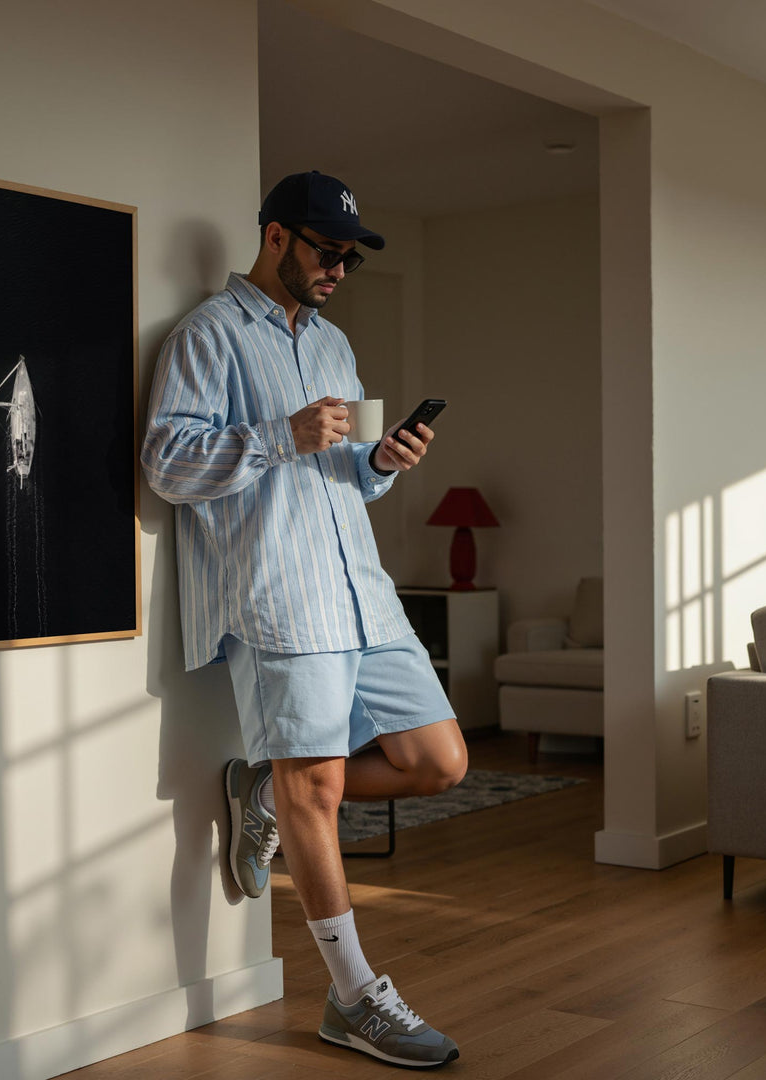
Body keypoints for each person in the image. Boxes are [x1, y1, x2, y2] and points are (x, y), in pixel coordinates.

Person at [142, 170, 466, 1069]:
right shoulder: (207, 335)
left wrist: (386, 461)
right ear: (277, 236)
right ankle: (354, 996)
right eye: (327, 251)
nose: (339, 269)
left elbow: (347, 471)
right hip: (279, 595)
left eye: (350, 258)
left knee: (440, 762)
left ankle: (263, 788)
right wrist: (282, 434)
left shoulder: (334, 344)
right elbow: (167, 465)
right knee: (317, 788)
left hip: (364, 587)